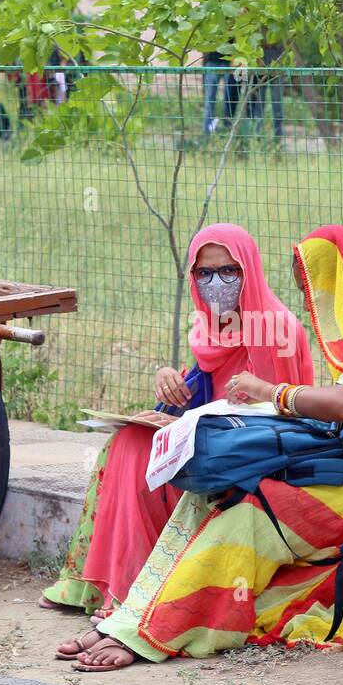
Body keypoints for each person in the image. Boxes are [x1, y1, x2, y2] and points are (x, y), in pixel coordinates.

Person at [62, 225, 343, 671]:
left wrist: (273, 392)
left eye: (320, 284)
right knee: (162, 468)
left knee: (245, 509)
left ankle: (153, 629)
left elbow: (339, 405)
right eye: (205, 274)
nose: (317, 298)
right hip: (334, 461)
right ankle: (132, 613)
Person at [43, 224, 315, 621]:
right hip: (206, 441)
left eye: (228, 272)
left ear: (249, 271)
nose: (214, 283)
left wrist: (219, 411)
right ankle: (105, 584)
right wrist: (168, 382)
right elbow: (199, 393)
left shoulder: (276, 329)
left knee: (137, 450)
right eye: (203, 274)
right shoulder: (209, 327)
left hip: (254, 458)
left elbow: (285, 414)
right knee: (128, 441)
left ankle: (132, 592)